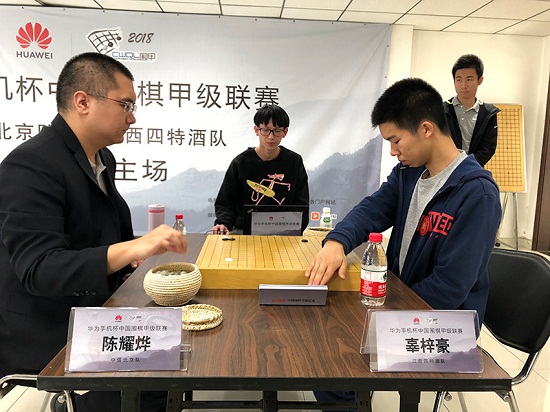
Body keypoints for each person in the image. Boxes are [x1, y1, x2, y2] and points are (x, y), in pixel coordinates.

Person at [0, 52, 187, 412]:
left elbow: (97, 235)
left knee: (175, 355)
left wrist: (132, 259)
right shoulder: (31, 164)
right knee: (155, 382)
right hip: (49, 331)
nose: (132, 117)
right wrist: (133, 248)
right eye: (125, 105)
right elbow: (40, 269)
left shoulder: (102, 159)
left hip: (95, 312)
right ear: (83, 102)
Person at [305, 78, 501, 409]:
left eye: (395, 140)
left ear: (426, 129)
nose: (393, 151)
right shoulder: (408, 174)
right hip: (405, 306)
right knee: (324, 335)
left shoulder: (477, 193)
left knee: (333, 361)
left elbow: (451, 286)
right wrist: (336, 242)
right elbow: (372, 210)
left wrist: (385, 317)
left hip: (446, 324)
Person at [211, 104, 309, 235]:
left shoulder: (294, 162)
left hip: (283, 232)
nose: (271, 137)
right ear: (256, 130)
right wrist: (223, 223)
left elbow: (301, 204)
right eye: (266, 130)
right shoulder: (241, 162)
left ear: (285, 132)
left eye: (277, 131)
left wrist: (293, 229)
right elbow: (226, 202)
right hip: (244, 232)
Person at [444, 54, 500, 167]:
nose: (463, 85)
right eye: (459, 79)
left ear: (480, 80)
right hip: (443, 169)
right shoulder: (442, 110)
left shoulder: (488, 114)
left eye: (469, 79)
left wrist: (468, 167)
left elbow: (488, 148)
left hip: (473, 170)